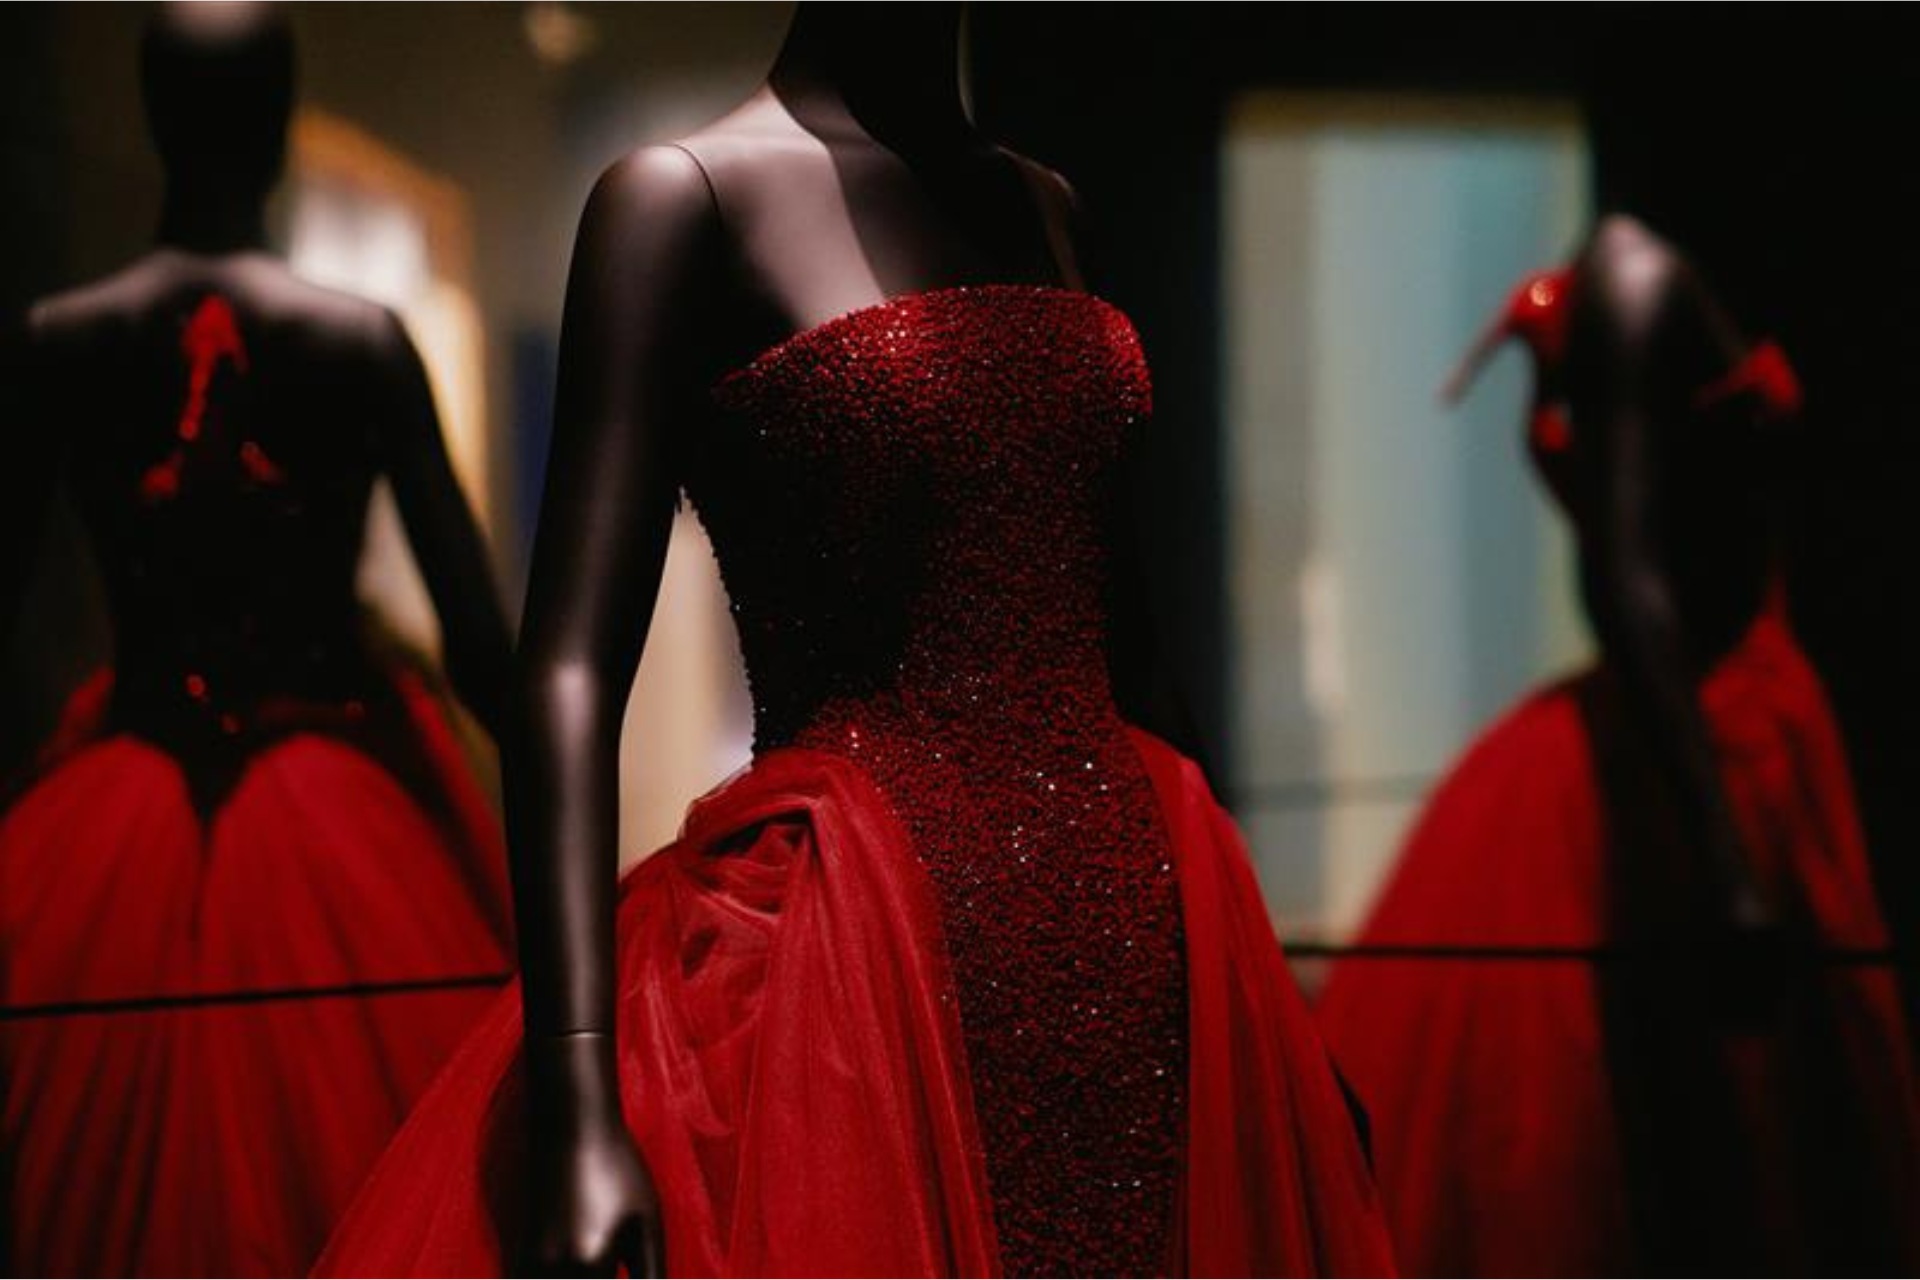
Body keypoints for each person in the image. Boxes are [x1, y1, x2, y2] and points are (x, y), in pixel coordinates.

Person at [315, 6, 1393, 1277]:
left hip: (1136, 950)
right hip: (854, 975)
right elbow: (567, 666)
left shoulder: (1048, 208)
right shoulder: (682, 203)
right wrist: (576, 1084)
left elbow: (1131, 648)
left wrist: (1265, 1007)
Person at [0, 7, 514, 1274]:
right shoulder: (356, 342)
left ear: (154, 116)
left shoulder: (65, 343)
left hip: (112, 801)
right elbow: (482, 650)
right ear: (281, 121)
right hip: (342, 808)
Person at [1316, 215, 1920, 1275]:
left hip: (1736, 712)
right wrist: (1724, 856)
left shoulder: (1634, 289)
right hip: (1715, 733)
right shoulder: (1641, 282)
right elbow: (1626, 570)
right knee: (1718, 1119)